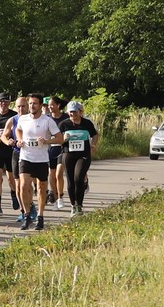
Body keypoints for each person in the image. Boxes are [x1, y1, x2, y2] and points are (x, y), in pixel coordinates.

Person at [11, 95, 61, 230]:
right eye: (30, 103)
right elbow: (18, 129)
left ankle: (40, 216)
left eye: (35, 104)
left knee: (41, 188)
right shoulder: (23, 119)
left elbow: (60, 138)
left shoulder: (47, 120)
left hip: (41, 159)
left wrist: (47, 141)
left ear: (40, 105)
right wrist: (19, 139)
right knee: (23, 186)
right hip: (25, 157)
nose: (32, 106)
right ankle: (27, 215)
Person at [58, 100, 100, 213]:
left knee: (78, 178)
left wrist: (93, 144)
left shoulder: (87, 123)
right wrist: (63, 139)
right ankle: (73, 206)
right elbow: (57, 139)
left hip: (83, 155)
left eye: (75, 112)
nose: (72, 114)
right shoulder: (64, 124)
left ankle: (79, 206)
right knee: (70, 180)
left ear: (80, 111)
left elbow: (95, 135)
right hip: (68, 154)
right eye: (70, 112)